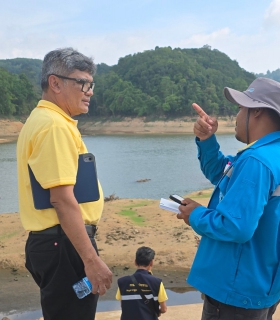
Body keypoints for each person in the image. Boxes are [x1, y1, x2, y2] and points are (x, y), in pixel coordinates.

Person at [176, 77, 280, 320]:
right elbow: (222, 173)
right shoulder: (276, 152)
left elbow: (236, 227)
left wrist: (196, 214)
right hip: (261, 281)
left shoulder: (257, 161)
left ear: (258, 112)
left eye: (241, 108)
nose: (236, 116)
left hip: (237, 288)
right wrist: (207, 140)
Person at [16, 47, 112, 320]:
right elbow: (61, 198)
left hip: (57, 243)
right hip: (64, 244)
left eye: (90, 83)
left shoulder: (44, 120)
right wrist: (91, 260)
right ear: (55, 83)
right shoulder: (53, 126)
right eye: (81, 82)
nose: (89, 90)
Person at [116, 246, 168, 320]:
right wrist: (157, 311)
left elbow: (123, 305)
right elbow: (164, 309)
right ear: (151, 263)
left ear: (135, 262)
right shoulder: (157, 283)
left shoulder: (122, 282)